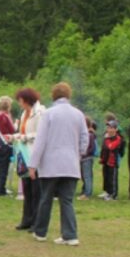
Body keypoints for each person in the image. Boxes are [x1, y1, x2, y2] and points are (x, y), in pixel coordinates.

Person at [28, 82, 89, 245]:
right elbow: (85, 137)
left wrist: (33, 164)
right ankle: (70, 235)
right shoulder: (78, 114)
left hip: (50, 164)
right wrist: (79, 153)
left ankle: (40, 232)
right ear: (68, 95)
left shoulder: (48, 114)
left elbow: (40, 141)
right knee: (67, 200)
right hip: (70, 163)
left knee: (46, 198)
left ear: (53, 95)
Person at [12, 88, 45, 231]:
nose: (19, 103)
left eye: (20, 100)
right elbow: (22, 131)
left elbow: (41, 134)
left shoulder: (40, 113)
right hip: (24, 153)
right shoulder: (24, 113)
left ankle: (36, 221)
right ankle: (26, 219)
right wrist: (15, 136)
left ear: (26, 100)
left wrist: (25, 137)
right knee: (26, 188)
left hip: (34, 153)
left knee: (36, 189)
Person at [99, 119, 123, 201]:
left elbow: (111, 146)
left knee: (112, 179)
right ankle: (107, 192)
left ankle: (113, 194)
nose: (109, 130)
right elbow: (103, 148)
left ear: (116, 129)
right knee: (106, 177)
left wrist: (107, 140)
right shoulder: (106, 137)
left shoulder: (118, 138)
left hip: (113, 162)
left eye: (111, 128)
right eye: (108, 127)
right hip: (105, 161)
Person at [79, 117, 97, 199]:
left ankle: (88, 193)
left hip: (87, 158)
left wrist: (85, 153)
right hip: (83, 158)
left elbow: (92, 148)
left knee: (87, 176)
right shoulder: (86, 134)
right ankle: (85, 190)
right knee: (84, 175)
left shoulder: (90, 135)